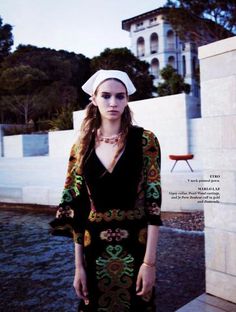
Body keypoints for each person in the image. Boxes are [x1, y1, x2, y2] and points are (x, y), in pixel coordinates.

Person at [50, 69, 162, 312]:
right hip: (93, 249)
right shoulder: (80, 147)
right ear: (94, 98)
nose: (113, 103)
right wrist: (78, 267)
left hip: (136, 246)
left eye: (120, 96)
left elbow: (154, 206)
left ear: (127, 100)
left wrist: (149, 263)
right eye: (106, 96)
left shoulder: (146, 141)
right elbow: (76, 210)